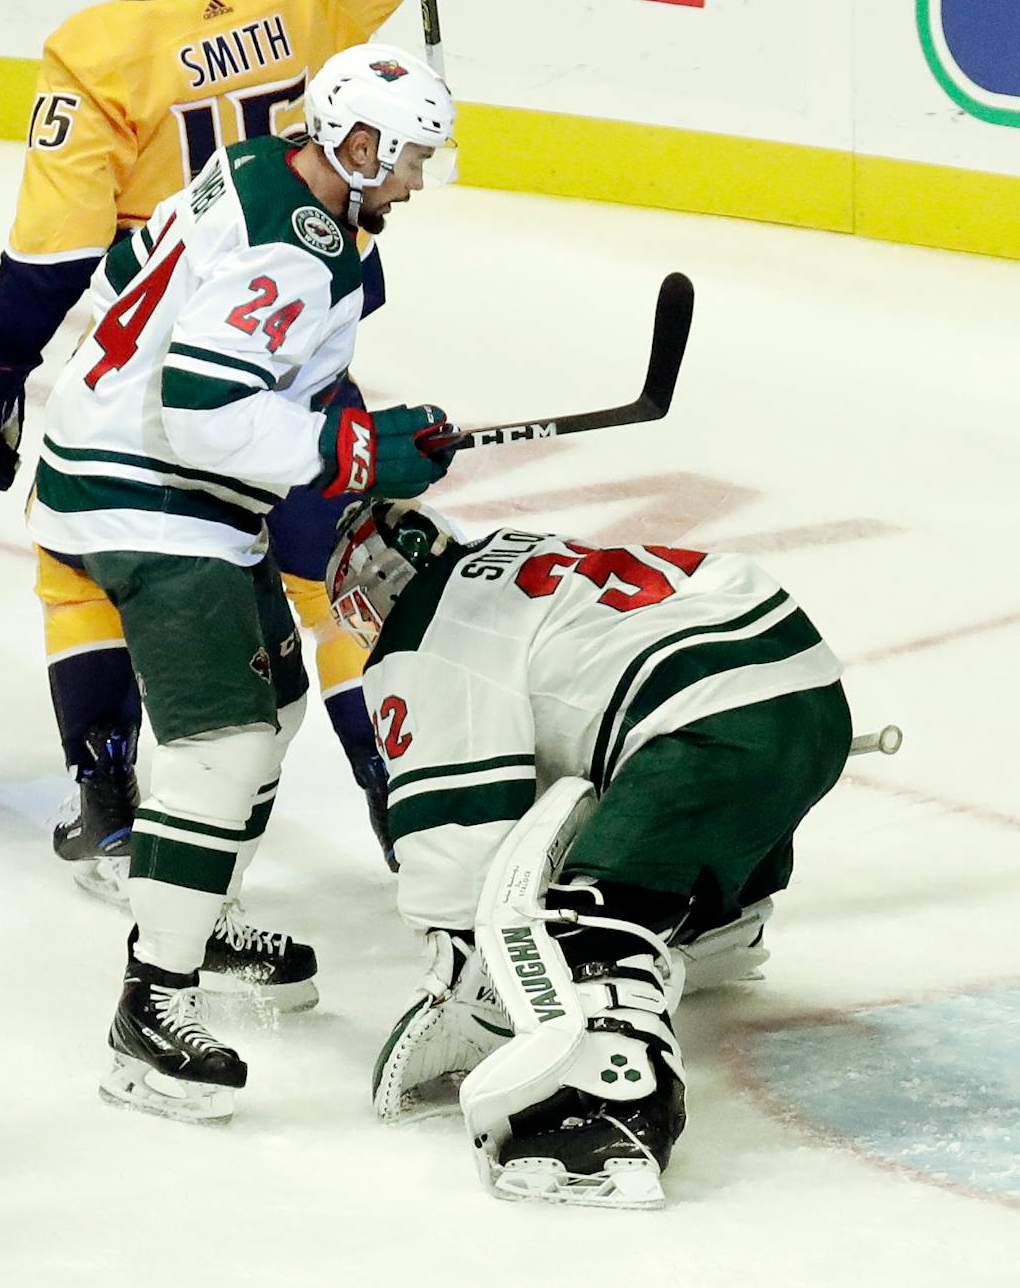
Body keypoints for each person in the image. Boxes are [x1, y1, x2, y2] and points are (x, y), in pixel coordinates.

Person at [0, 0, 466, 892]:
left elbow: (55, 246)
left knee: (78, 546)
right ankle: (422, 835)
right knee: (329, 566)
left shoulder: (99, 50)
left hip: (165, 351)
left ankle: (111, 796)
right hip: (300, 324)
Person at [27, 43, 463, 1123]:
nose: (413, 180)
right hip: (150, 490)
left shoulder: (265, 168)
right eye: (405, 157)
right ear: (355, 144)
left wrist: (349, 425)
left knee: (270, 702)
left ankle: (192, 909)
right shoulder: (300, 247)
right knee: (225, 742)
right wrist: (357, 453)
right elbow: (207, 409)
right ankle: (150, 1010)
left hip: (122, 457)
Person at [332, 500, 853, 1206]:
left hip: (709, 727)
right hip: (807, 692)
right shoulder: (513, 555)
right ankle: (711, 924)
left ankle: (611, 1110)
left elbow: (461, 828)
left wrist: (469, 970)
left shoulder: (425, 629)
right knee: (633, 786)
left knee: (580, 926)